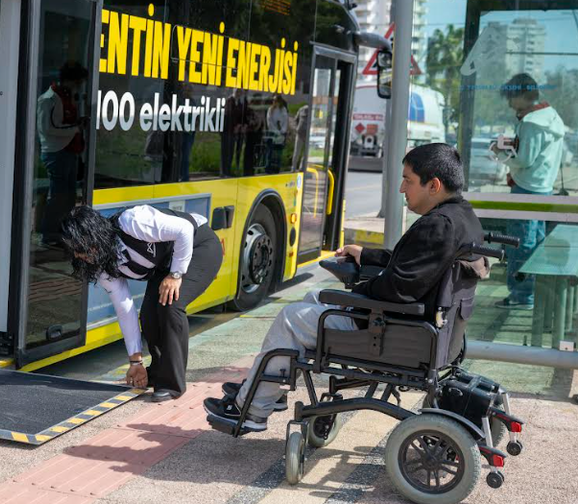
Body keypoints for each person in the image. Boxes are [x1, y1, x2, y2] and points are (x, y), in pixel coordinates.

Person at [204, 143, 483, 430]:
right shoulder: (463, 219)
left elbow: (399, 289)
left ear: (434, 185)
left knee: (291, 318)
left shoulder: (436, 226)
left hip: (394, 330)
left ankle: (251, 411)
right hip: (426, 327)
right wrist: (368, 255)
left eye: (408, 180)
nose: (402, 189)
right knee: (314, 297)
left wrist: (352, 298)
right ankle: (266, 391)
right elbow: (416, 266)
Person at [61, 204, 223, 402]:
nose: (79, 255)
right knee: (147, 315)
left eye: (80, 247)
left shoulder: (132, 221)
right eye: (73, 250)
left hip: (198, 246)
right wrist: (135, 361)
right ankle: (154, 374)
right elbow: (125, 308)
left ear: (95, 236)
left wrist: (176, 274)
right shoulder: (101, 265)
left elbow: (184, 229)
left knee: (171, 305)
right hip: (167, 264)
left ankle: (172, 385)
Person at [493, 73, 565, 310]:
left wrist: (500, 152)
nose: (510, 104)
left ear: (524, 96)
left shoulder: (532, 122)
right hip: (542, 187)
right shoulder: (550, 117)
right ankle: (532, 293)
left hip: (526, 188)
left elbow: (524, 159)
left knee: (520, 243)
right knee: (534, 243)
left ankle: (522, 296)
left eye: (512, 98)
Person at [36, 61, 88, 246]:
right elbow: (48, 128)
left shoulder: (67, 97)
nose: (79, 86)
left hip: (68, 150)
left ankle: (61, 231)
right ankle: (49, 234)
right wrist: (76, 128)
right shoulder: (49, 99)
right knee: (58, 195)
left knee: (68, 195)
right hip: (56, 151)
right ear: (70, 80)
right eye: (78, 82)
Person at [265, 94, 289, 174]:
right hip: (272, 134)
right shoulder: (270, 110)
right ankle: (268, 169)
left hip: (281, 134)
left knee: (278, 153)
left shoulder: (283, 110)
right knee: (270, 153)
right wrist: (276, 132)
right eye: (273, 100)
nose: (274, 102)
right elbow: (269, 122)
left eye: (276, 100)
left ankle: (276, 169)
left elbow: (285, 121)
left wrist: (282, 131)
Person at [291, 104, 310, 171]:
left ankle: (300, 168)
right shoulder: (302, 109)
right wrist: (296, 128)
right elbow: (296, 119)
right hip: (300, 133)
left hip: (306, 134)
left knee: (304, 153)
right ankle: (294, 167)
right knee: (298, 152)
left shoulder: (304, 109)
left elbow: (296, 119)